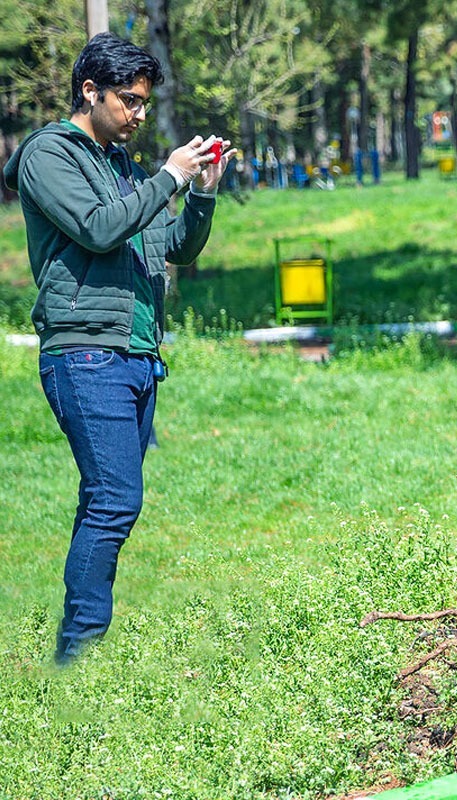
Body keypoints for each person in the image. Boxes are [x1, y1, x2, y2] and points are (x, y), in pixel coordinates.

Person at [1, 33, 233, 664]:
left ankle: (77, 648)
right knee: (115, 500)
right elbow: (101, 231)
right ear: (89, 91)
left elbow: (176, 247)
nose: (137, 114)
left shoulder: (126, 170)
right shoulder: (50, 155)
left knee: (103, 499)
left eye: (143, 105)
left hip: (136, 356)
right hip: (84, 353)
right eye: (128, 102)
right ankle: (78, 656)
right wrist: (168, 175)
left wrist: (202, 190)